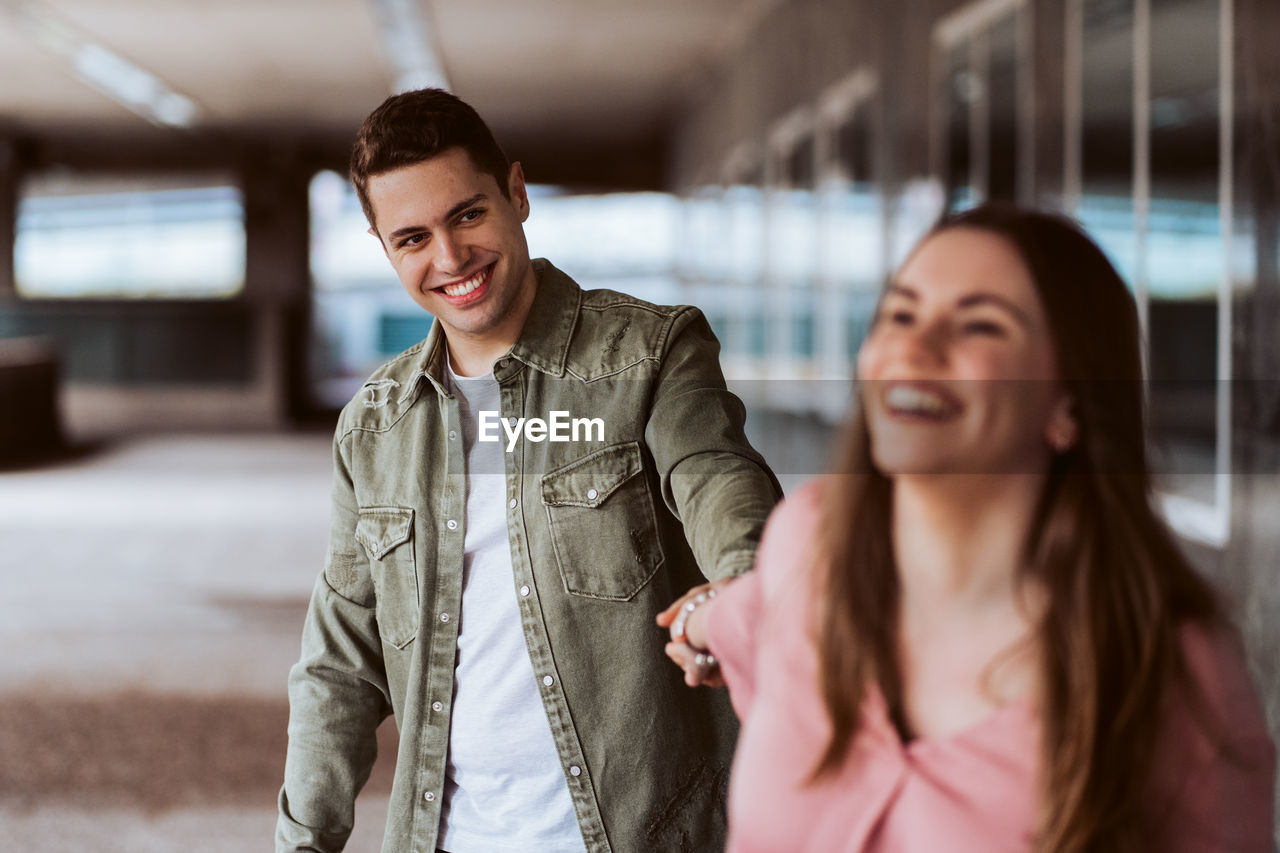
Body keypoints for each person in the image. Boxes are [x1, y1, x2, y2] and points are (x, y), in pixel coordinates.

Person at [660, 204, 1276, 852]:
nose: (915, 348)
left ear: (1069, 401)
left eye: (980, 325)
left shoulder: (1172, 674)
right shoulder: (810, 544)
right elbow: (746, 616)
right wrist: (697, 619)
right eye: (900, 313)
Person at [277, 88, 781, 853]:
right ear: (384, 247)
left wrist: (747, 588)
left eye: (468, 215)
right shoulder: (374, 425)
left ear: (516, 193)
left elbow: (715, 476)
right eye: (413, 237)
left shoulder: (648, 354)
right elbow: (339, 664)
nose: (449, 260)